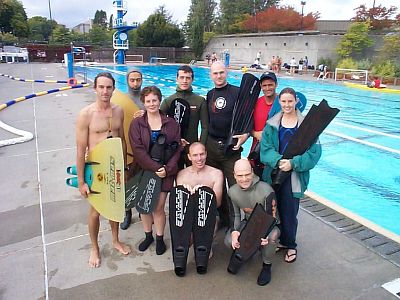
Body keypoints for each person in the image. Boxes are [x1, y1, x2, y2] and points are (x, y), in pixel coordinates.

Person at [76, 72, 131, 268]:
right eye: (101, 87)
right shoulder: (86, 114)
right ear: (95, 88)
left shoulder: (119, 111)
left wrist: (124, 168)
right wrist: (82, 181)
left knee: (115, 206)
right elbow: (81, 149)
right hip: (96, 168)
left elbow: (122, 140)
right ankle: (94, 248)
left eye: (109, 87)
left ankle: (115, 240)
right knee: (95, 211)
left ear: (113, 89)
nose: (105, 91)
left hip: (115, 167)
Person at [260, 87, 321, 263]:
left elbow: (314, 154)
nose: (287, 104)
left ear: (296, 102)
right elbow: (265, 150)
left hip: (293, 178)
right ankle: (278, 240)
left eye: (290, 101)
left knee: (289, 212)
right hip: (273, 175)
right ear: (280, 102)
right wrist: (279, 161)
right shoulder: (272, 125)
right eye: (284, 101)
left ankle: (291, 244)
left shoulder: (308, 127)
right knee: (274, 210)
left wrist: (293, 164)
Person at [129, 86, 182, 255]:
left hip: (165, 172)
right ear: (143, 103)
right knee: (144, 206)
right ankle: (148, 236)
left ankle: (159, 238)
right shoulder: (137, 123)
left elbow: (177, 149)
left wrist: (168, 169)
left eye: (154, 100)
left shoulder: (171, 124)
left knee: (158, 207)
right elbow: (138, 150)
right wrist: (156, 167)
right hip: (144, 170)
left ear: (160, 101)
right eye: (148, 101)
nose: (152, 104)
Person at [206, 61, 250, 226]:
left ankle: (237, 222)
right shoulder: (210, 94)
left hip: (231, 147)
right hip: (212, 147)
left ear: (227, 72)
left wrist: (245, 134)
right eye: (215, 73)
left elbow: (247, 117)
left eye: (221, 72)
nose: (218, 76)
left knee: (235, 186)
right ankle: (223, 218)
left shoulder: (237, 92)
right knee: (217, 186)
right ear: (211, 75)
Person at [225, 159, 280, 286]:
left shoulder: (266, 190)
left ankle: (267, 265)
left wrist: (264, 235)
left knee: (272, 236)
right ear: (234, 175)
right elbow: (235, 215)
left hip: (268, 224)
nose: (244, 179)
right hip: (248, 222)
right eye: (239, 175)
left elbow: (273, 218)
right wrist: (234, 232)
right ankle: (247, 252)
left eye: (247, 174)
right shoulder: (232, 192)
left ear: (252, 172)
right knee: (229, 241)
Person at [160, 65, 208, 168]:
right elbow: (159, 123)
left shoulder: (200, 101)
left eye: (188, 78)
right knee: (178, 178)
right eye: (182, 77)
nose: (184, 81)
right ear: (177, 79)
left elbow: (205, 127)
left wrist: (201, 146)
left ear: (192, 79)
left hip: (193, 149)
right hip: (174, 147)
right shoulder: (168, 101)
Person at [120, 69, 145, 230]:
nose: (135, 83)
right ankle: (127, 211)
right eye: (132, 80)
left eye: (138, 80)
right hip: (127, 148)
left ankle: (143, 208)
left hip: (144, 148)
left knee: (144, 180)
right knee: (126, 182)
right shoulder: (121, 101)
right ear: (127, 81)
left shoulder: (147, 98)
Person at [249, 72, 278, 177]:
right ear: (261, 86)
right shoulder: (256, 103)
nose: (267, 88)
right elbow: (247, 128)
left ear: (276, 84)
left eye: (270, 85)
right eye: (264, 85)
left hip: (275, 156)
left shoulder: (283, 103)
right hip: (257, 154)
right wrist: (255, 134)